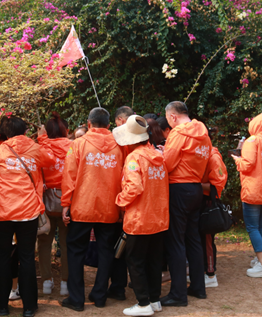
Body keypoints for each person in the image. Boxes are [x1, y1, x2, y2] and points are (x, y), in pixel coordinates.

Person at [0, 115, 55, 317]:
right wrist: (43, 138)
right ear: (24, 131)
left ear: (5, 133)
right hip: (28, 212)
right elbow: (50, 160)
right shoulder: (35, 149)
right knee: (27, 257)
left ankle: (2, 305)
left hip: (1, 212)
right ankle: (30, 306)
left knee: (3, 257)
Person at [60, 108, 124, 311]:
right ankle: (100, 295)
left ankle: (76, 299)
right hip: (110, 207)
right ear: (108, 125)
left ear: (88, 124)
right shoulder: (119, 146)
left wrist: (65, 204)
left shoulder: (78, 144)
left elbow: (69, 176)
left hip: (82, 206)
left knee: (76, 251)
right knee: (106, 251)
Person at [112, 115, 169, 316]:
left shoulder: (134, 158)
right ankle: (154, 300)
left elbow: (134, 187)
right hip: (159, 218)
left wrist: (119, 200)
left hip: (139, 220)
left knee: (135, 262)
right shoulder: (159, 156)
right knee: (154, 262)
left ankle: (143, 303)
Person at [159, 101, 212, 307]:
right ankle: (198, 287)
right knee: (193, 240)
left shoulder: (178, 134)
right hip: (196, 188)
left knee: (176, 242)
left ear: (172, 117)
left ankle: (178, 294)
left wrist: (162, 154)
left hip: (178, 189)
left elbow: (168, 164)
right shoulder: (204, 135)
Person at [231, 113, 262, 278]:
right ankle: (260, 260)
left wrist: (237, 158)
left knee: (252, 227)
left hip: (253, 190)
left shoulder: (252, 141)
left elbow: (247, 166)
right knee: (261, 225)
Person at [37, 112, 72, 296]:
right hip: (69, 201)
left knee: (44, 243)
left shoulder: (41, 147)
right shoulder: (74, 147)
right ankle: (66, 283)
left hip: (46, 201)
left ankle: (47, 282)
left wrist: (41, 138)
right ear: (65, 130)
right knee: (66, 244)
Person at [199, 137, 228, 287]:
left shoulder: (213, 157)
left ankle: (211, 275)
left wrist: (194, 185)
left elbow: (216, 186)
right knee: (201, 239)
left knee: (208, 240)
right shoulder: (202, 154)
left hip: (209, 202)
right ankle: (202, 271)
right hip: (200, 201)